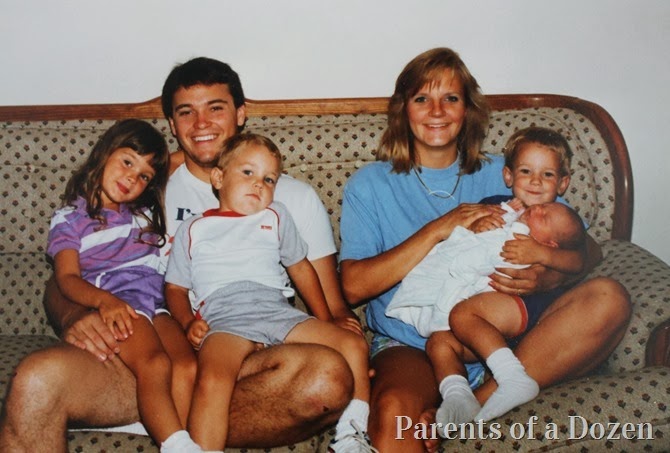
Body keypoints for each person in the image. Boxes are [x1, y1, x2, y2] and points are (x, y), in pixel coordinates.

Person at [0, 57, 360, 452]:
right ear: (172, 124)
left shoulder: (291, 198)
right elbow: (66, 274)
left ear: (241, 114)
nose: (201, 123)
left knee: (326, 379)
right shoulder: (146, 187)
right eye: (186, 112)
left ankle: (171, 423)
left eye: (215, 108)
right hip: (139, 354)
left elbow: (333, 306)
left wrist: (354, 355)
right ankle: (166, 422)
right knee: (35, 381)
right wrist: (74, 316)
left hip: (245, 363)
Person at [339, 47, 631, 452]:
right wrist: (441, 228)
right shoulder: (371, 184)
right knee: (393, 417)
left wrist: (545, 273)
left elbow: (588, 249)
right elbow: (353, 287)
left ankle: (480, 400)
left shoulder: (511, 172)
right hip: (413, 343)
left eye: (451, 98)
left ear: (468, 109)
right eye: (422, 98)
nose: (437, 111)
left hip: (508, 336)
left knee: (610, 298)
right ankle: (468, 404)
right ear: (403, 109)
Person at [165, 133, 373, 452]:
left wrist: (325, 319)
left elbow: (301, 269)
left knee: (353, 343)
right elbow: (175, 288)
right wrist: (186, 322)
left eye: (269, 179)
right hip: (224, 319)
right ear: (219, 178)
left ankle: (352, 434)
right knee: (213, 380)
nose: (258, 184)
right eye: (248, 172)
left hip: (278, 312)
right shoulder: (193, 229)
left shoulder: (276, 216)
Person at [45, 119, 201, 452]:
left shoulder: (142, 213)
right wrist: (104, 302)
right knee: (155, 364)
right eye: (127, 162)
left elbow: (175, 162)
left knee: (187, 366)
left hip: (156, 303)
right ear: (104, 153)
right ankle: (177, 445)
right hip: (119, 300)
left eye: (144, 176)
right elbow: (66, 278)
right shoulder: (71, 217)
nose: (132, 177)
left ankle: (166, 432)